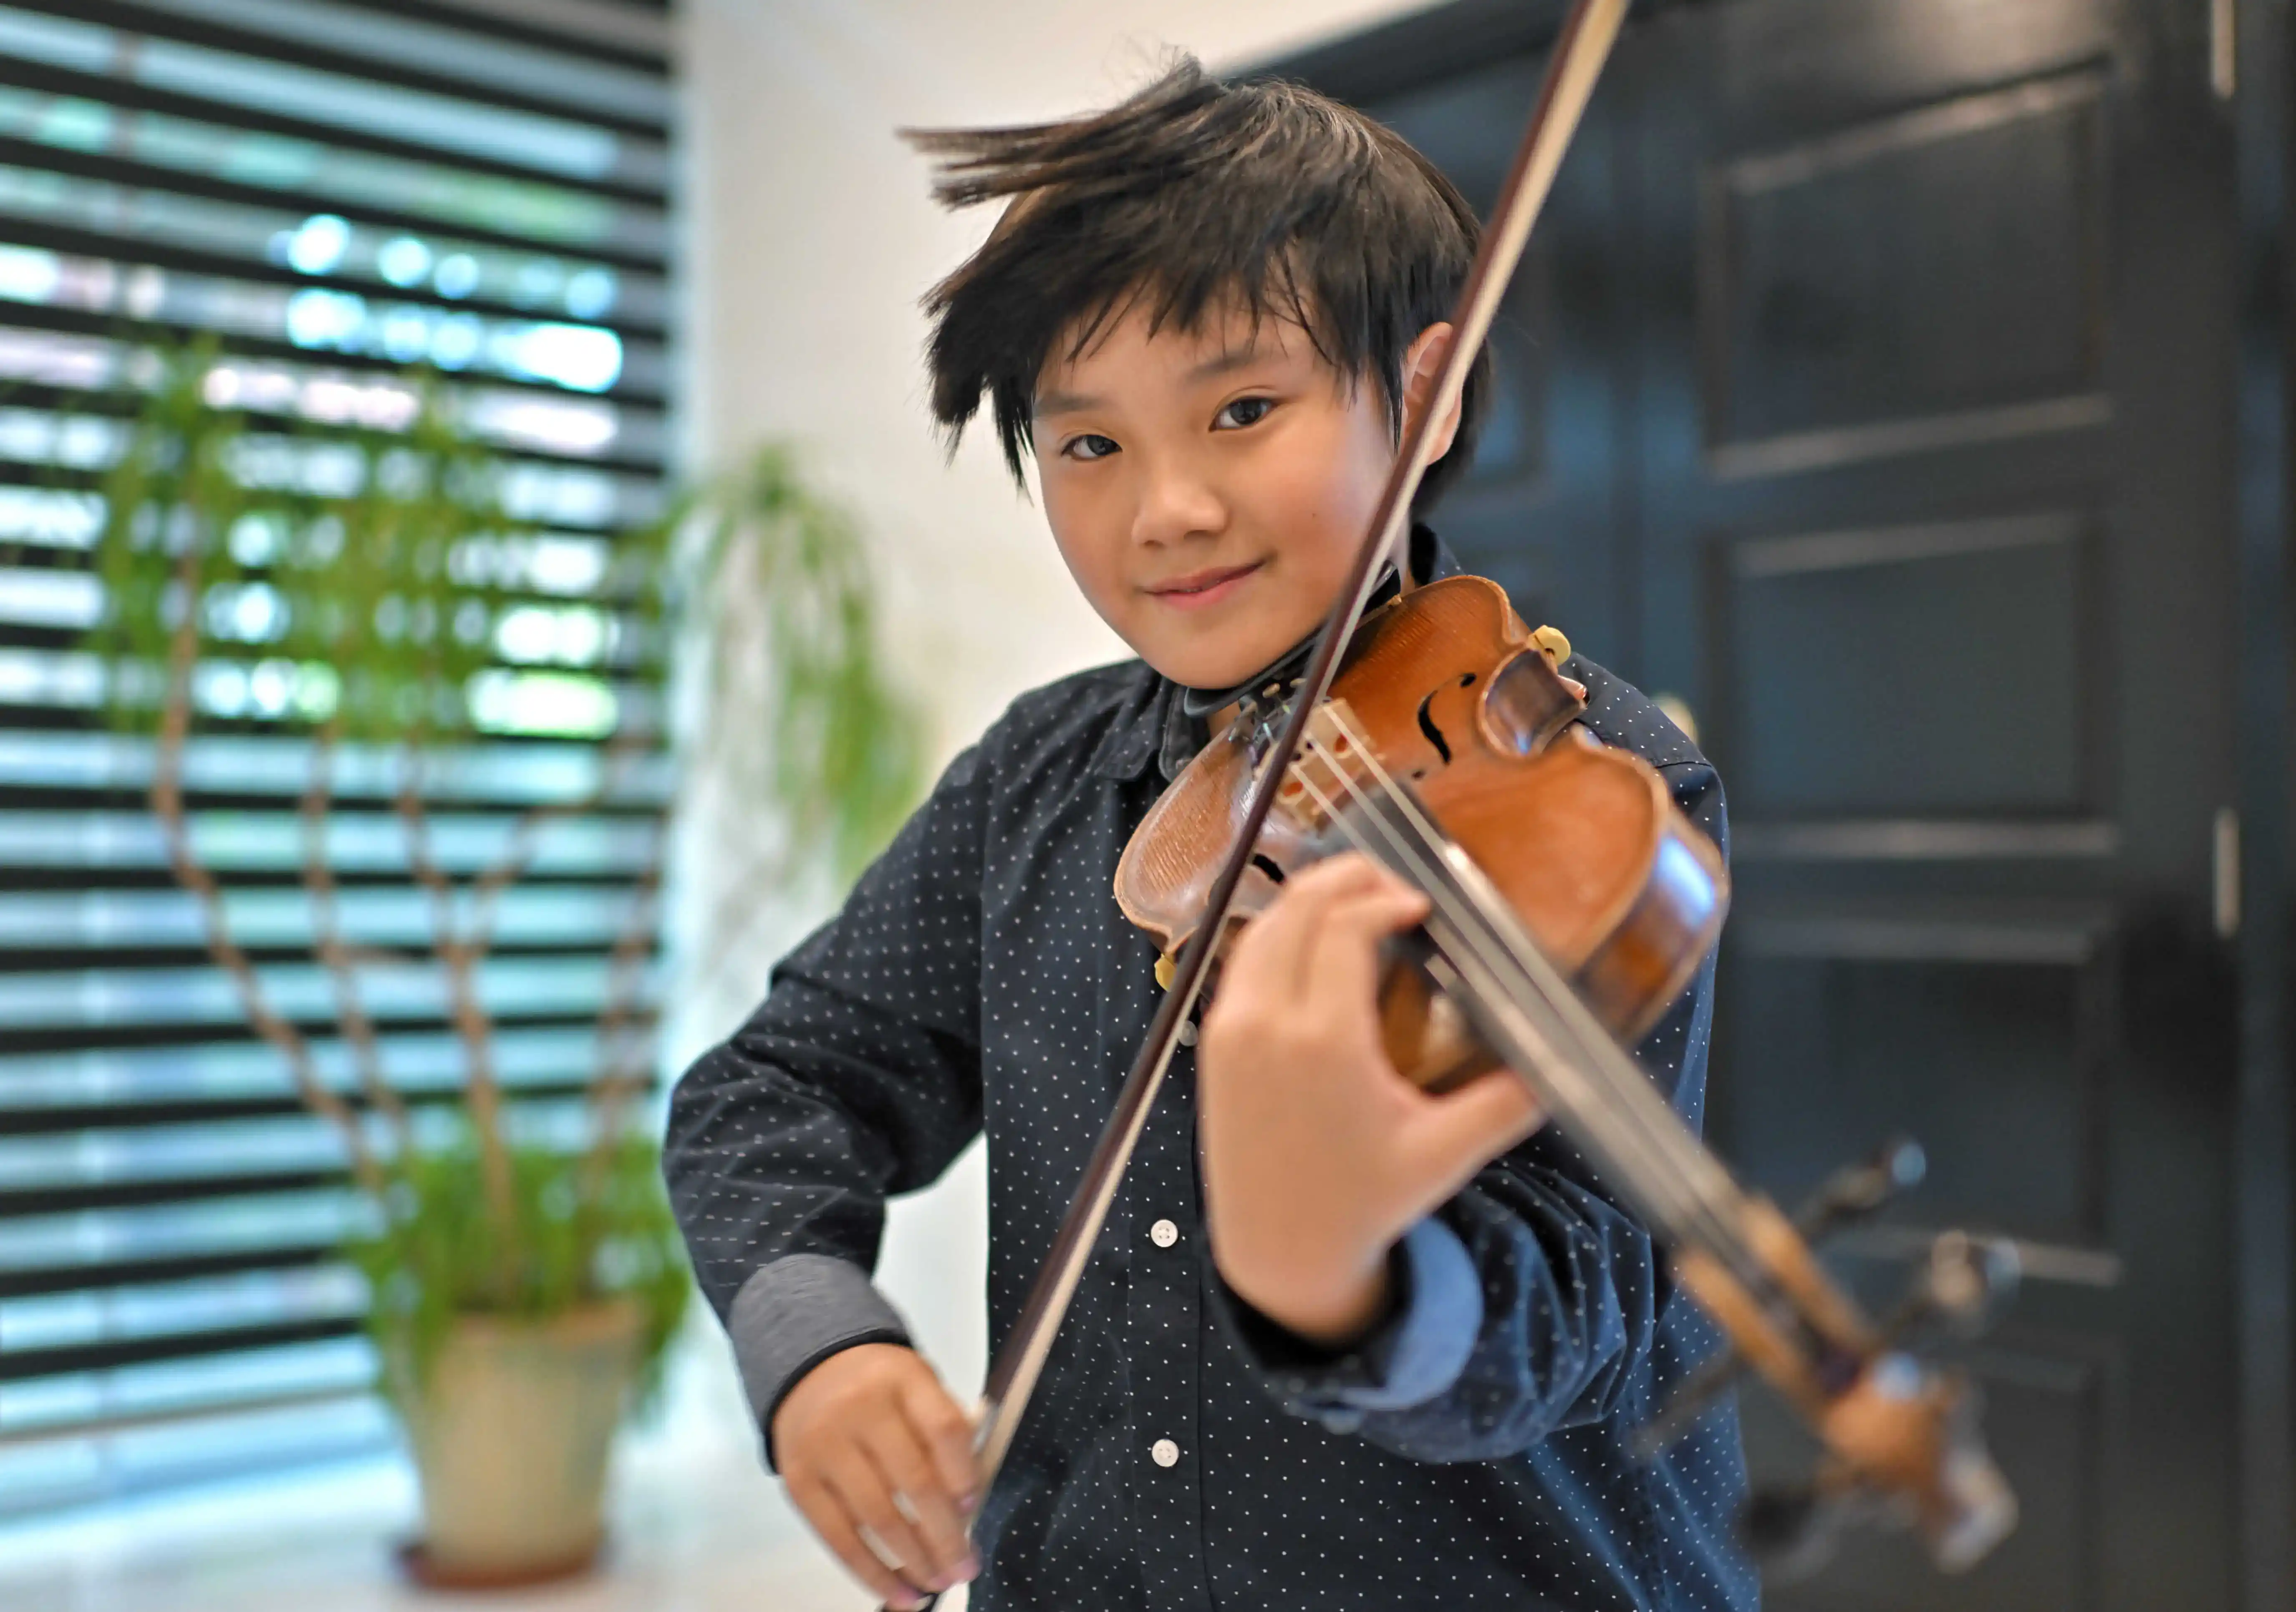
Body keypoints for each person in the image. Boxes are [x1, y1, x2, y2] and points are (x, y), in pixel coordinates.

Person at [664, 57, 1756, 1612]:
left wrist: (1349, 1286)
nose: (1163, 507)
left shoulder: (1585, 781)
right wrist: (814, 1344)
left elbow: (1589, 1297)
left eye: (1243, 409)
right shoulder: (1035, 777)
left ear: (1425, 398)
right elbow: (773, 1088)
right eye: (1088, 443)